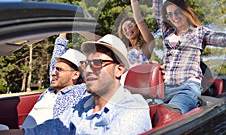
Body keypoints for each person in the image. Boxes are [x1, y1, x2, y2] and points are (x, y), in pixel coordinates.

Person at [19, 34, 151, 134]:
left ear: (119, 70)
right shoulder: (82, 106)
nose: (88, 69)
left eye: (98, 63)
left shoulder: (132, 108)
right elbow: (42, 131)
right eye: (86, 64)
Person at [21, 33, 87, 129]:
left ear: (75, 74)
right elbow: (59, 48)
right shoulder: (54, 85)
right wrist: (64, 30)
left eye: (59, 70)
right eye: (54, 68)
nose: (52, 73)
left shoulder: (80, 91)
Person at [117, 0, 155, 67]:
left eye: (130, 26)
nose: (128, 30)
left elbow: (138, 17)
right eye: (124, 29)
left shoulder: (147, 44)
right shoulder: (123, 49)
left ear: (138, 28)